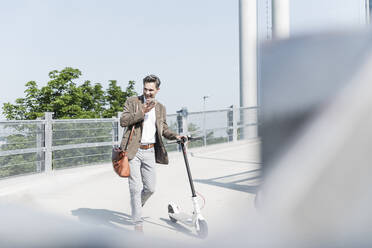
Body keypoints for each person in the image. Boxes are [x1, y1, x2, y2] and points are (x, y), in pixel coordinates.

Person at [120, 74, 183, 233]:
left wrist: (176, 136)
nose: (148, 92)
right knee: (135, 188)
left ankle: (137, 206)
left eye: (151, 90)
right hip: (133, 150)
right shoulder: (133, 102)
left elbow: (164, 129)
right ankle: (138, 224)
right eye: (145, 89)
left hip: (150, 151)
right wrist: (142, 111)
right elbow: (123, 121)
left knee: (150, 188)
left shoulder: (161, 107)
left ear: (157, 90)